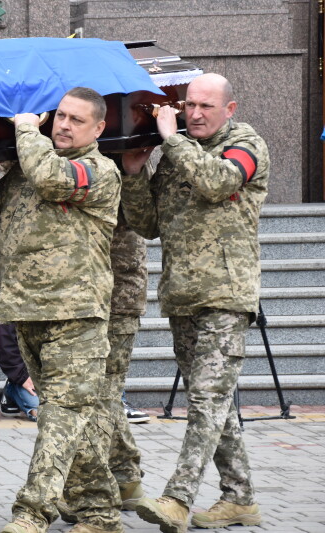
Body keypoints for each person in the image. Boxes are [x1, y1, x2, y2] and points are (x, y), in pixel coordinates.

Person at [0, 86, 122, 533]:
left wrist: (27, 130)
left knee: (60, 415)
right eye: (61, 116)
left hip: (76, 314)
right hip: (26, 312)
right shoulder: (25, 167)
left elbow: (53, 179)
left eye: (76, 119)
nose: (65, 125)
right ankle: (99, 512)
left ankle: (32, 511)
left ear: (98, 128)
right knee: (69, 415)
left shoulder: (98, 170)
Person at [120, 73, 268, 532]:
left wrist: (170, 141)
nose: (195, 114)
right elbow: (147, 224)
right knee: (212, 401)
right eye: (189, 106)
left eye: (206, 106)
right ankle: (239, 498)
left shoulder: (246, 144)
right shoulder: (172, 155)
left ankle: (178, 499)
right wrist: (134, 171)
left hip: (226, 293)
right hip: (183, 296)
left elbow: (217, 182)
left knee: (206, 400)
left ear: (230, 108)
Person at [58, 214, 149, 526]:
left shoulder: (114, 169)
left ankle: (95, 495)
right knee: (100, 396)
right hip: (84, 296)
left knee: (103, 395)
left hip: (117, 296)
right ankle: (125, 477)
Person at [0, 322, 38, 422]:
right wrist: (22, 377)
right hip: (26, 376)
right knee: (42, 412)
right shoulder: (12, 310)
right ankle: (11, 390)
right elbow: (6, 347)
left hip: (53, 374)